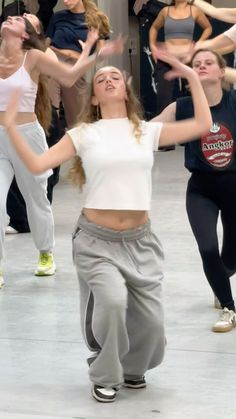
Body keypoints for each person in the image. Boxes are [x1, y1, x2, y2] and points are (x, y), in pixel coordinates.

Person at [2, 49, 212, 400]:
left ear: (126, 91)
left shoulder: (146, 131)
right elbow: (39, 165)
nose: (109, 79)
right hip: (96, 242)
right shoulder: (84, 133)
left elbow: (203, 126)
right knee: (112, 304)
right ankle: (105, 373)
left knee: (153, 327)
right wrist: (10, 128)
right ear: (95, 98)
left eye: (115, 76)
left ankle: (133, 368)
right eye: (101, 79)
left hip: (140, 241)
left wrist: (192, 77)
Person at [0, 14, 125, 290]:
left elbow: (69, 78)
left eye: (19, 18)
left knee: (36, 198)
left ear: (24, 34)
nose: (10, 16)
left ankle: (45, 252)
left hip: (26, 137)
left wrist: (95, 52)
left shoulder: (33, 57)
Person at [153, 48, 236, 333]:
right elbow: (147, 131)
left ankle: (220, 279)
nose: (201, 66)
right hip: (201, 188)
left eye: (208, 63)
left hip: (234, 186)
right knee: (208, 248)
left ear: (221, 71)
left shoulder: (234, 101)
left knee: (231, 259)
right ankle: (229, 306)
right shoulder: (182, 106)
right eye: (196, 63)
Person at [6, 13, 61, 235]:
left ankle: (36, 218)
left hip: (40, 117)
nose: (18, 17)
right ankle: (20, 219)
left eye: (26, 18)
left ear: (32, 32)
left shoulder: (40, 55)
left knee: (41, 176)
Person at [46, 0, 111, 128]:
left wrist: (73, 54)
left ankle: (78, 146)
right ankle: (50, 145)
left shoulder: (96, 18)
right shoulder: (57, 17)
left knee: (77, 118)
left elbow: (100, 55)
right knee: (49, 111)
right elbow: (45, 45)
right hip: (53, 62)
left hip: (77, 66)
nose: (65, 1)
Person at [149, 0, 212, 115]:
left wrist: (198, 45)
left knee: (195, 94)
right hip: (167, 59)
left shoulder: (195, 10)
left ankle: (198, 127)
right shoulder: (165, 11)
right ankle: (165, 129)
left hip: (187, 59)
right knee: (163, 99)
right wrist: (153, 47)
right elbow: (154, 28)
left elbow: (208, 27)